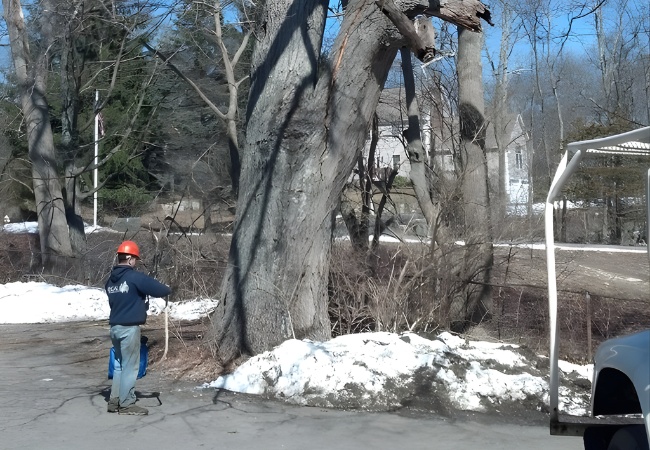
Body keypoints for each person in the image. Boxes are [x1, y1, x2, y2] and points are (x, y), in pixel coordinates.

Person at [105, 240, 171, 415]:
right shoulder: (134, 277)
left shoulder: (110, 282)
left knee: (119, 366)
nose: (135, 262)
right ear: (129, 259)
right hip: (129, 329)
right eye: (135, 258)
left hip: (115, 328)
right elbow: (159, 289)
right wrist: (169, 289)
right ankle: (126, 404)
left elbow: (123, 301)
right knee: (130, 367)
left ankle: (115, 400)